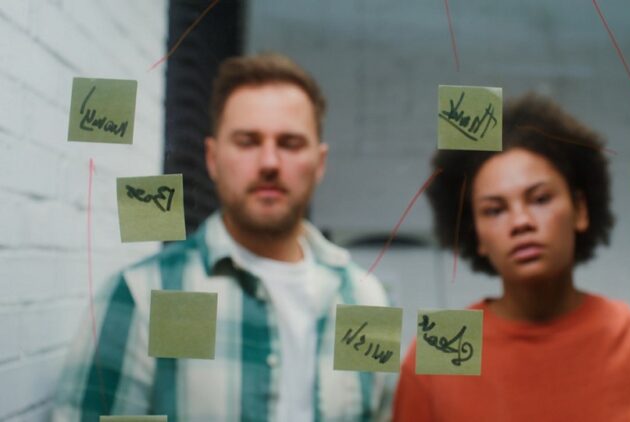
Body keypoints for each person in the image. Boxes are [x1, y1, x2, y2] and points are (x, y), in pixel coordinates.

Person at [52, 53, 392, 421]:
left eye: (290, 143)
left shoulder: (365, 300)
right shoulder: (145, 296)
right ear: (212, 159)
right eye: (247, 141)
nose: (270, 163)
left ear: (320, 163)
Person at [393, 92, 630, 421]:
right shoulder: (434, 357)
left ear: (580, 210)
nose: (521, 222)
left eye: (540, 199)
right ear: (476, 235)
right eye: (495, 210)